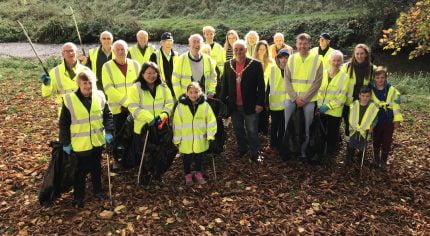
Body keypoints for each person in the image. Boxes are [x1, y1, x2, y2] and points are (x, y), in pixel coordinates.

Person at [59, 70, 114, 208]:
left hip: (96, 140)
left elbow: (107, 115)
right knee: (80, 171)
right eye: (85, 83)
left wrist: (109, 131)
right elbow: (64, 124)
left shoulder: (100, 96)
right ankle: (78, 197)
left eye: (90, 82)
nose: (88, 86)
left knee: (96, 168)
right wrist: (65, 142)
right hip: (79, 143)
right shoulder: (69, 99)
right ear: (79, 83)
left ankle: (98, 191)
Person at [220, 40, 265, 162]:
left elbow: (261, 86)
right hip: (234, 106)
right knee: (238, 129)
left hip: (251, 105)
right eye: (236, 49)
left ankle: (255, 153)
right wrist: (221, 104)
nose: (238, 52)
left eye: (241, 49)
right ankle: (242, 149)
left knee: (252, 130)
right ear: (233, 50)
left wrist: (260, 103)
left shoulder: (255, 64)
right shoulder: (228, 64)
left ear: (246, 50)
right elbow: (224, 86)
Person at [127, 62, 174, 179]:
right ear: (142, 74)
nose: (151, 75)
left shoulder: (163, 86)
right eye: (148, 73)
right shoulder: (135, 87)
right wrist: (150, 119)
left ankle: (158, 173)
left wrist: (163, 116)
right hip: (144, 126)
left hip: (160, 125)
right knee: (145, 152)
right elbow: (133, 107)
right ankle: (145, 175)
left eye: (154, 73)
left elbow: (169, 103)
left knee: (164, 150)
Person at [284, 33, 323, 159]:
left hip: (309, 101)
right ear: (296, 44)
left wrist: (305, 99)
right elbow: (287, 80)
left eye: (305, 43)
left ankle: (304, 152)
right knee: (288, 126)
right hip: (291, 99)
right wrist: (295, 98)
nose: (302, 46)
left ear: (309, 45)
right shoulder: (291, 58)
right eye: (300, 43)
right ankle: (290, 149)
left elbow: (317, 82)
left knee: (307, 128)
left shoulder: (317, 60)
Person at [173, 82, 217, 185]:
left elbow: (211, 121)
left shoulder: (205, 105)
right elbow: (177, 123)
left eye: (196, 92)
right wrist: (177, 139)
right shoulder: (181, 106)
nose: (194, 94)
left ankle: (198, 173)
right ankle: (187, 175)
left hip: (200, 137)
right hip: (185, 138)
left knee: (199, 157)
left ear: (200, 92)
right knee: (186, 158)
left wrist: (210, 135)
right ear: (187, 93)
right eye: (191, 92)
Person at [102, 40, 141, 143]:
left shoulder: (136, 65)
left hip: (135, 109)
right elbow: (108, 89)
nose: (120, 52)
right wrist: (127, 102)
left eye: (122, 49)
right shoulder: (107, 67)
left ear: (127, 51)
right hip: (117, 110)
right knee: (119, 139)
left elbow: (140, 85)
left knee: (134, 138)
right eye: (117, 49)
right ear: (113, 51)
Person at [40, 42, 88, 116]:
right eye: (67, 51)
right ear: (62, 54)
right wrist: (46, 85)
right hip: (65, 114)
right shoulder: (54, 72)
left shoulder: (86, 71)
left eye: (72, 51)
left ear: (77, 53)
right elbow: (46, 94)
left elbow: (93, 92)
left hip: (84, 111)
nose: (70, 53)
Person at [317, 50, 349, 155]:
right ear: (330, 60)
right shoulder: (323, 73)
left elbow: (342, 97)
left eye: (338, 60)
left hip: (334, 111)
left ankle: (330, 155)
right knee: (320, 133)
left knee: (332, 134)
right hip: (321, 109)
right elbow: (318, 91)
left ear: (341, 62)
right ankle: (320, 151)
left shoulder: (345, 77)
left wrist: (328, 106)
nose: (336, 63)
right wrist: (319, 106)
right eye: (334, 60)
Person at [342, 44, 376, 140]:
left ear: (366, 55)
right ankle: (350, 145)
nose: (359, 56)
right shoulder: (347, 67)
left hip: (364, 102)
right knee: (349, 124)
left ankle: (361, 146)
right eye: (357, 53)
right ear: (354, 54)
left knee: (362, 123)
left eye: (362, 53)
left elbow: (378, 85)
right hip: (349, 102)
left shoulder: (372, 68)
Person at [370, 66, 403, 168]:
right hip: (376, 120)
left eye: (382, 77)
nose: (380, 80)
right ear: (374, 78)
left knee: (387, 141)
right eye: (377, 77)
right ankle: (376, 158)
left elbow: (396, 106)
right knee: (376, 140)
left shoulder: (392, 90)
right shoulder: (370, 90)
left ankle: (383, 160)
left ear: (386, 78)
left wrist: (397, 120)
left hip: (389, 120)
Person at [172, 34, 217, 100]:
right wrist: (181, 97)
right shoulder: (181, 59)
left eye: (198, 42)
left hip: (204, 98)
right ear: (189, 44)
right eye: (194, 42)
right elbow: (175, 80)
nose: (196, 44)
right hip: (186, 99)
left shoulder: (207, 59)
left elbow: (213, 76)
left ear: (202, 44)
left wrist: (211, 91)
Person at [345, 86, 378, 165]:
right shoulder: (354, 105)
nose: (365, 98)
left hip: (365, 130)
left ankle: (360, 159)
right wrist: (352, 125)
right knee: (351, 144)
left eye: (367, 96)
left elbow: (375, 118)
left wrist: (372, 127)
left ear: (370, 97)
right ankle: (349, 158)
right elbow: (350, 116)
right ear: (359, 95)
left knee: (363, 146)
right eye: (363, 96)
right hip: (354, 129)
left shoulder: (373, 107)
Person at [268, 48, 289, 151]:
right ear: (278, 58)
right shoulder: (272, 68)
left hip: (286, 104)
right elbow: (267, 86)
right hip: (274, 103)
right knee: (274, 124)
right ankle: (272, 143)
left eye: (286, 58)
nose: (284, 60)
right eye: (282, 57)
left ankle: (280, 143)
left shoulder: (291, 69)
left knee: (282, 125)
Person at [253, 40, 274, 135]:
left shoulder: (271, 62)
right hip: (254, 91)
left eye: (264, 49)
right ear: (256, 50)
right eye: (260, 49)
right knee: (255, 113)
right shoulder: (251, 61)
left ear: (267, 50)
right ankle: (255, 131)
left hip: (266, 91)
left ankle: (264, 132)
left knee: (264, 112)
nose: (262, 51)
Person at [150, 32, 178, 98]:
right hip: (160, 90)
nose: (168, 43)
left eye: (170, 41)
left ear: (173, 42)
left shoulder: (177, 55)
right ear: (161, 43)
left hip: (175, 90)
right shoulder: (154, 56)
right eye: (165, 41)